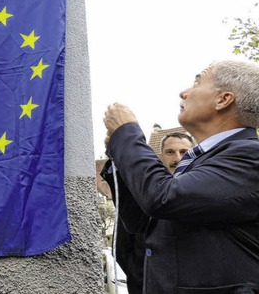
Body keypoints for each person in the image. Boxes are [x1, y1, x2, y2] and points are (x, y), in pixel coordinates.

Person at [103, 60, 259, 293]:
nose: (183, 93)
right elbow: (141, 222)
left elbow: (163, 198)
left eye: (197, 83)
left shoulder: (250, 156)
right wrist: (121, 156)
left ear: (223, 99)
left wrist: (127, 135)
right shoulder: (204, 161)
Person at [101, 132, 195, 294]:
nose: (177, 158)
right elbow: (123, 245)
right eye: (170, 152)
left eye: (184, 152)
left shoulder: (203, 188)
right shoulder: (142, 189)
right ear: (161, 156)